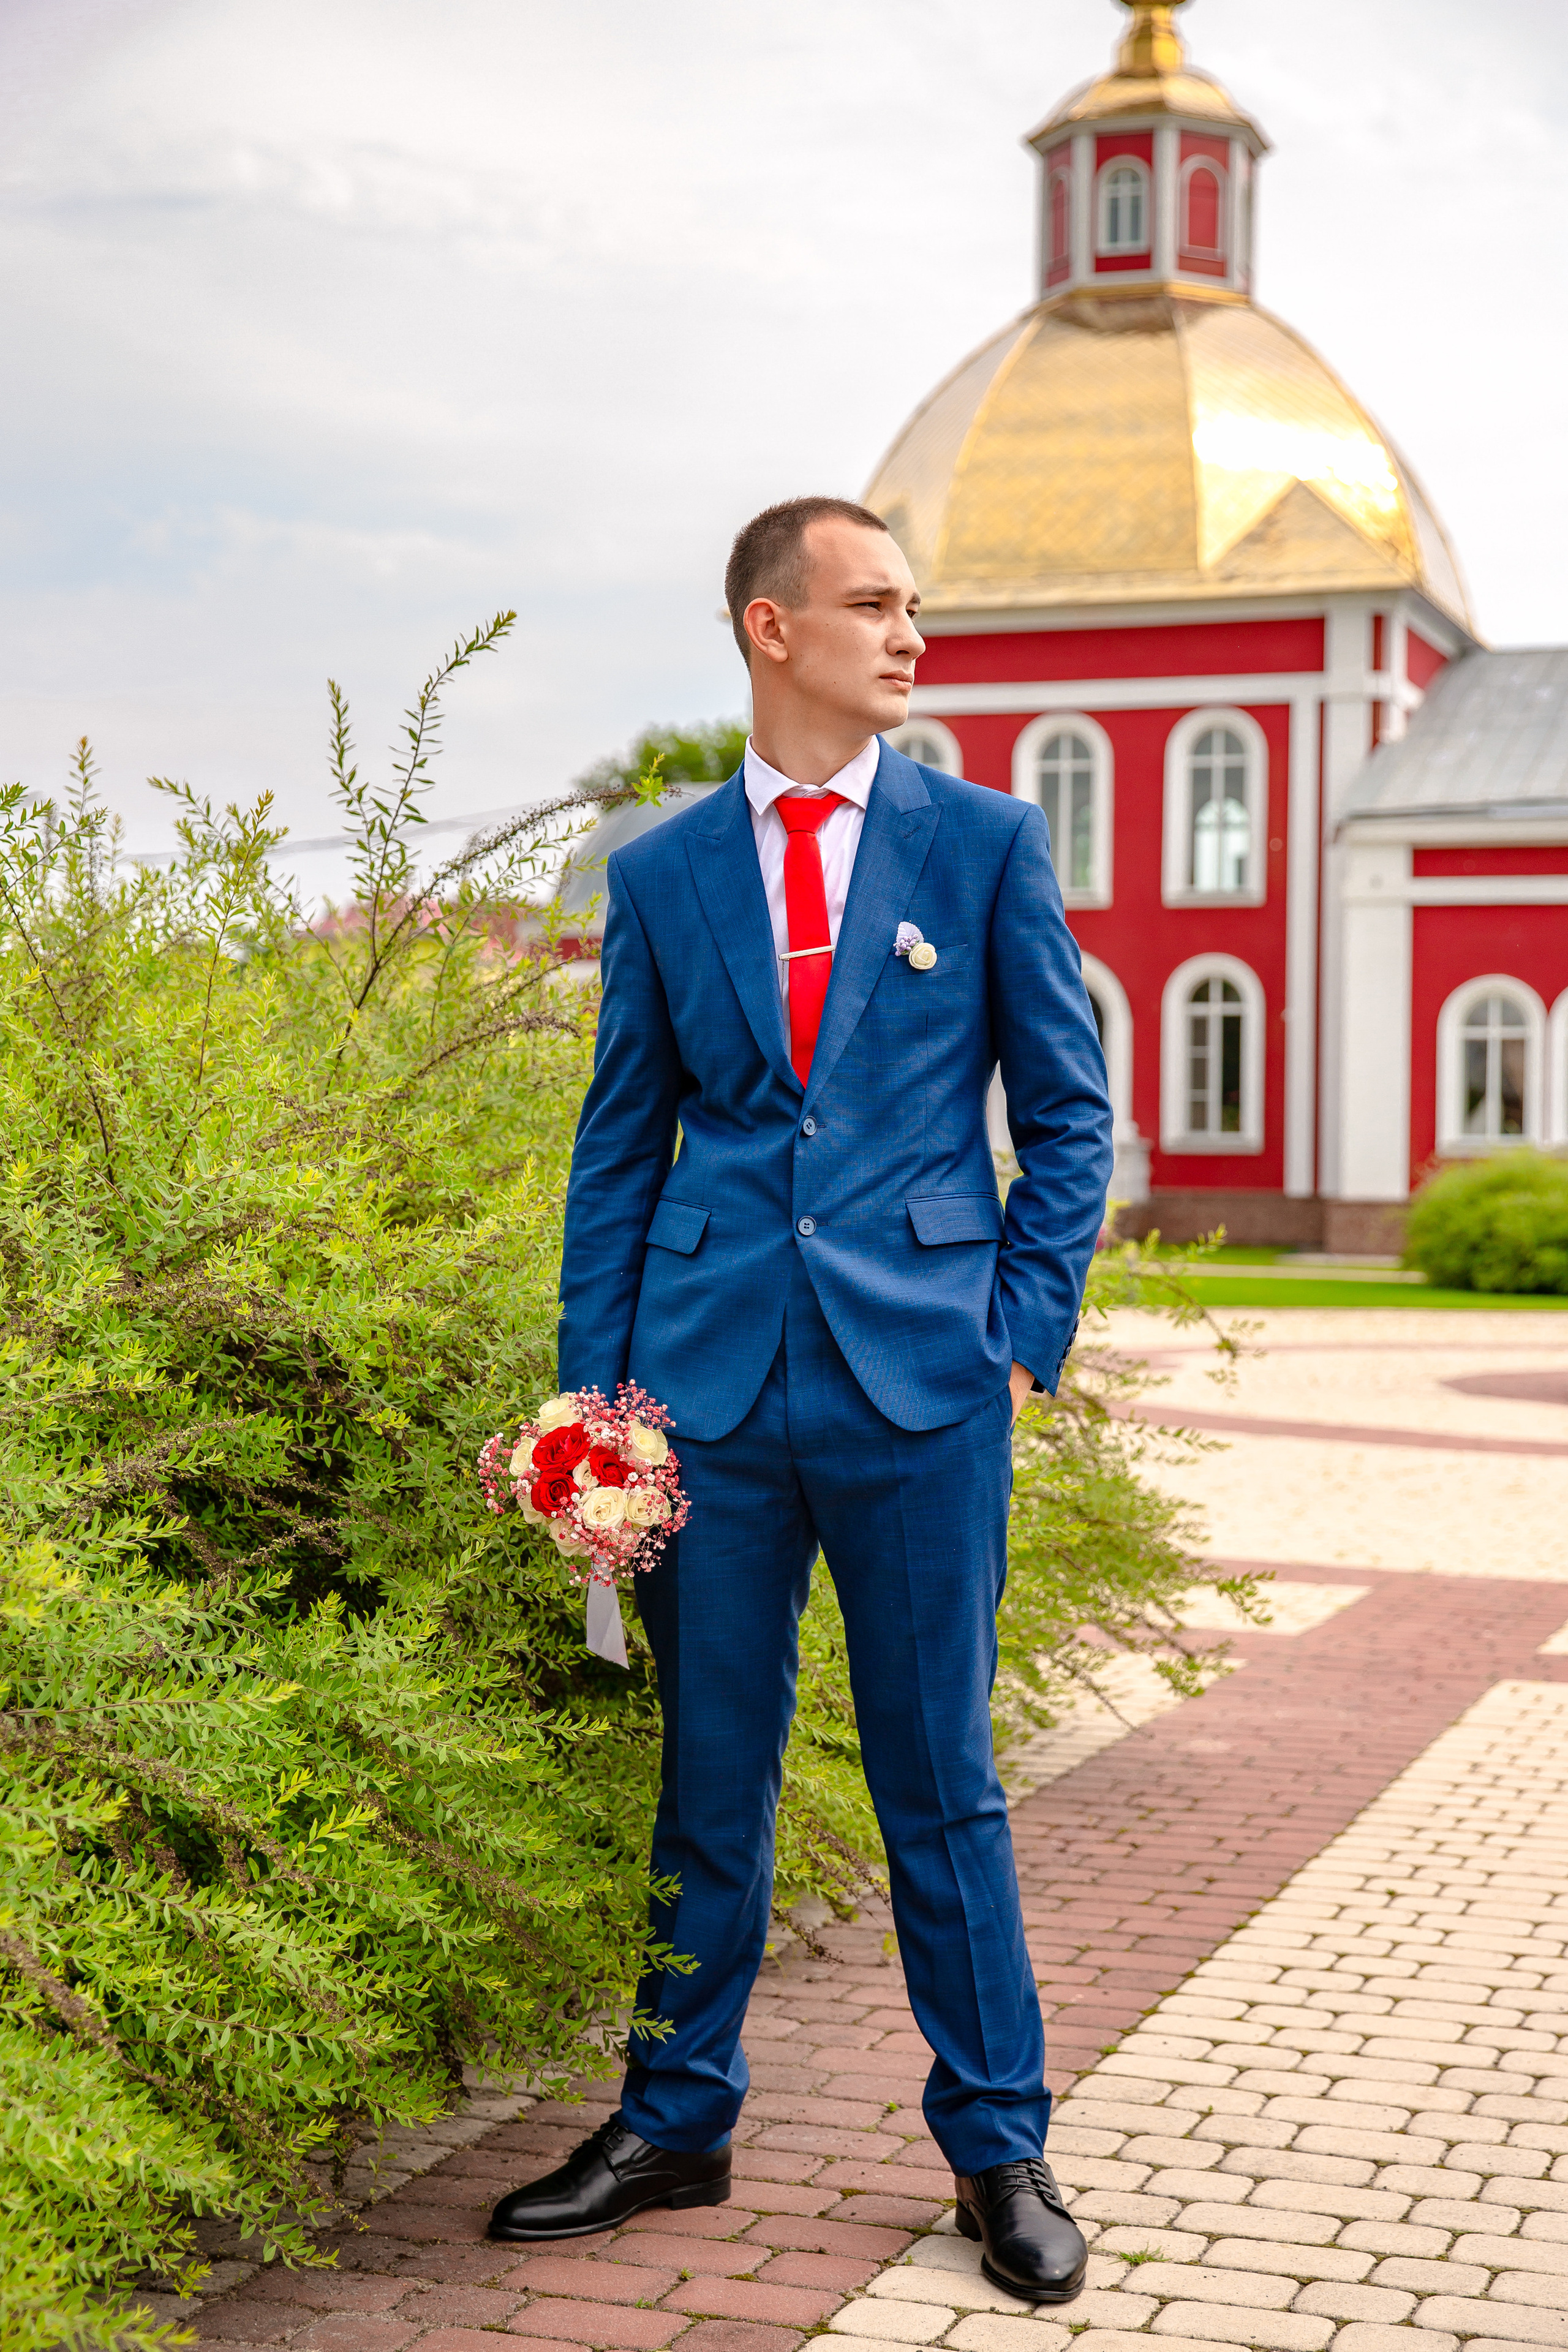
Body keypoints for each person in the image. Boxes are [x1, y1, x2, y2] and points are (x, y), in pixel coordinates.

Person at [488, 497, 1113, 2303]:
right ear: (772, 629)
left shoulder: (984, 842)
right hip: (705, 1395)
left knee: (942, 1784)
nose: (911, 636)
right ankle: (676, 2118)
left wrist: (1019, 1325)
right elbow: (619, 1152)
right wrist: (595, 1410)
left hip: (923, 1386)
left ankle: (1000, 2147)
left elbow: (1065, 1114)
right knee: (710, 1776)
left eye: (918, 607)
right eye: (875, 605)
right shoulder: (666, 873)